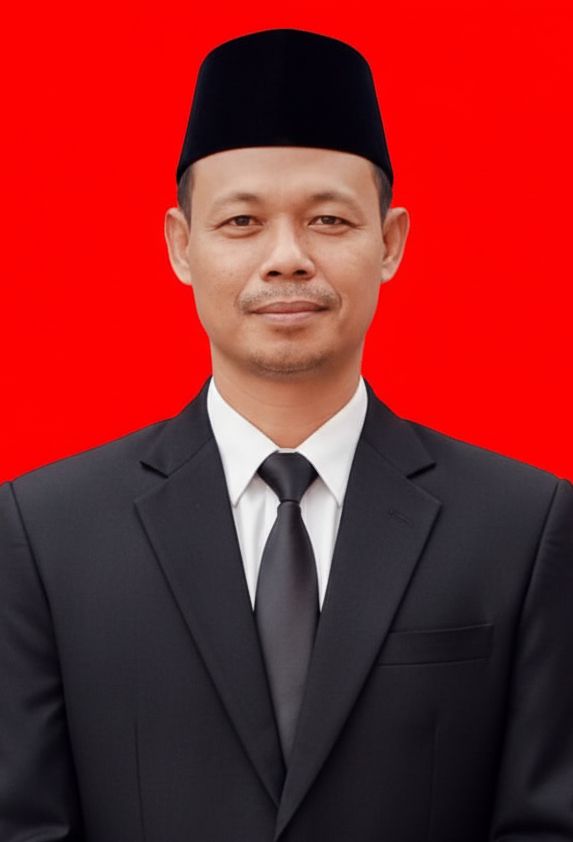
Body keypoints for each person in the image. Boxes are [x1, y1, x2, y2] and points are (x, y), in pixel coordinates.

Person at [1, 27, 572, 842]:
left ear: (390, 242)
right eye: (241, 221)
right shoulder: (45, 532)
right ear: (180, 246)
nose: (286, 258)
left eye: (329, 219)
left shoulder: (521, 525)